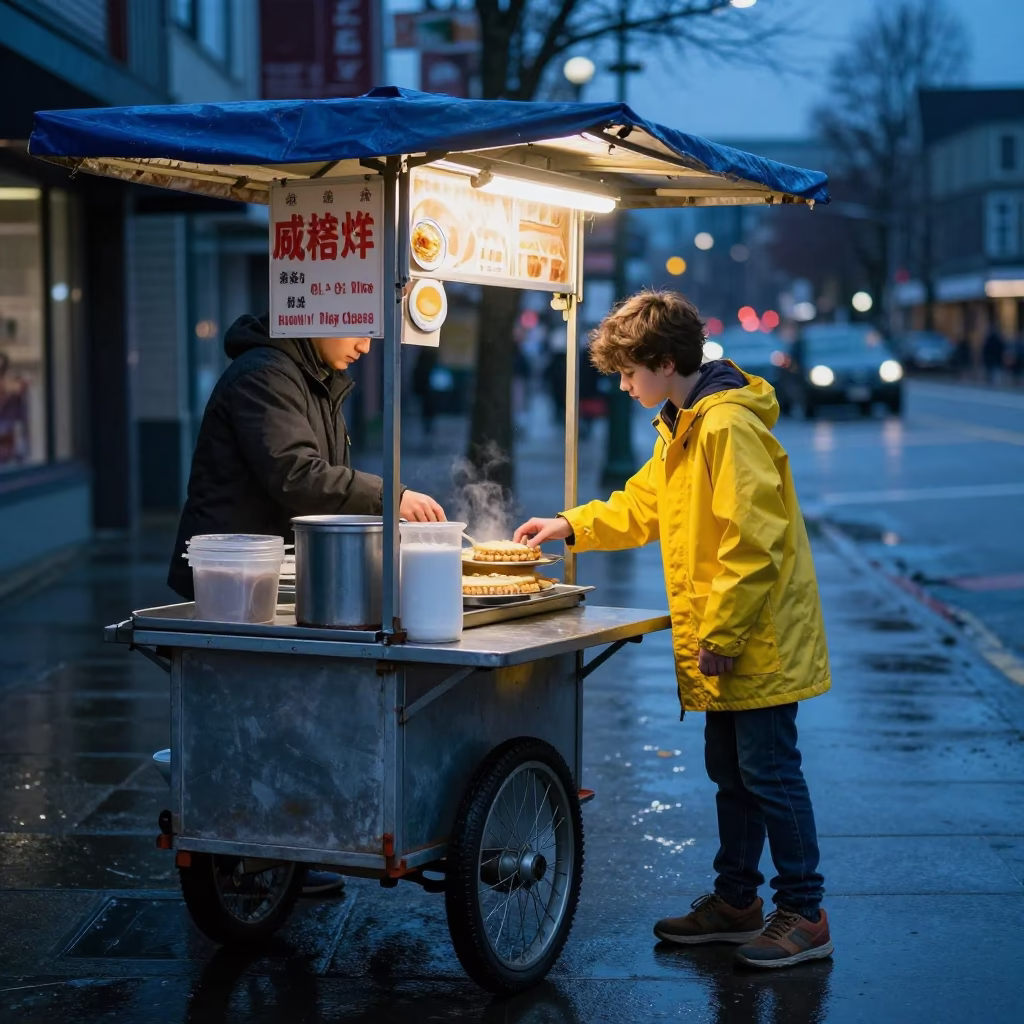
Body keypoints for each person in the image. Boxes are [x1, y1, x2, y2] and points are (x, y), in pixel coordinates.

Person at [514, 290, 832, 969]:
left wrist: (720, 633)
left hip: (753, 638)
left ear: (663, 361)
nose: (625, 386)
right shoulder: (684, 425)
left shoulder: (724, 428)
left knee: (769, 773)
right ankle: (736, 901)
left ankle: (804, 912)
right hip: (733, 637)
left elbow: (755, 540)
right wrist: (570, 525)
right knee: (734, 772)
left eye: (630, 373)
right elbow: (643, 503)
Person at [168, 313, 446, 896]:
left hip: (269, 575)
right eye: (360, 330)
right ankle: (245, 852)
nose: (366, 346)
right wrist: (389, 495)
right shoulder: (265, 374)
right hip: (235, 578)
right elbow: (298, 474)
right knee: (246, 720)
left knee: (279, 718)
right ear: (323, 313)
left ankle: (276, 848)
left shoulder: (311, 376)